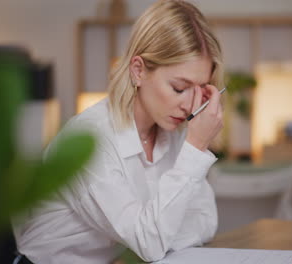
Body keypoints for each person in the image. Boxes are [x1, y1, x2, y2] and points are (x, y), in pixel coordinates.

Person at [12, 0, 225, 263]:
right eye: (179, 88)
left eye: (200, 89)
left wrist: (152, 234)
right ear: (138, 71)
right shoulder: (92, 138)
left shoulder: (174, 132)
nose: (190, 105)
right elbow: (150, 243)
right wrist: (195, 148)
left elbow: (205, 221)